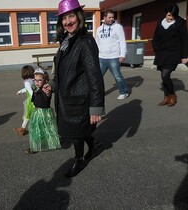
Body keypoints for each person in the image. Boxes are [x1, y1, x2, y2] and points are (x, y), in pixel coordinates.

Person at [43, 0, 105, 177]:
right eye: (64, 18)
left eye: (71, 16)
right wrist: (52, 85)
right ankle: (94, 145)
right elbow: (62, 72)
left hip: (79, 99)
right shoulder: (66, 40)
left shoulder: (85, 41)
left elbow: (95, 76)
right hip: (66, 99)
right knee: (77, 131)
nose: (67, 21)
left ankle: (79, 160)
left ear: (78, 17)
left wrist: (96, 107)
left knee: (76, 132)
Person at [153, 3, 188, 107]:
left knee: (165, 74)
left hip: (174, 53)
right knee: (163, 77)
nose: (170, 17)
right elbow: (155, 38)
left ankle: (172, 95)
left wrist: (185, 55)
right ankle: (166, 97)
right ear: (165, 14)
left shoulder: (180, 23)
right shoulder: (160, 22)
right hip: (161, 53)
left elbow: (185, 40)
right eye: (169, 15)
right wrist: (156, 49)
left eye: (173, 15)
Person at [95, 9, 129, 100]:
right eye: (109, 17)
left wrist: (122, 54)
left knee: (117, 76)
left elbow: (122, 41)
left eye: (113, 17)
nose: (111, 19)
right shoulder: (99, 29)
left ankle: (123, 92)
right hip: (101, 57)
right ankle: (98, 94)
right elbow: (97, 42)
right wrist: (95, 55)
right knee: (97, 77)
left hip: (113, 57)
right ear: (104, 18)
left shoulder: (118, 27)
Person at [27, 67, 61, 154]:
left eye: (39, 80)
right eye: (35, 80)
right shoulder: (36, 89)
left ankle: (52, 143)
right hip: (36, 112)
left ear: (45, 81)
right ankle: (35, 146)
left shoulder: (46, 89)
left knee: (48, 129)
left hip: (44, 113)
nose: (37, 82)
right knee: (35, 130)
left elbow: (46, 96)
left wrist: (46, 91)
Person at [13, 65, 35, 136]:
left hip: (31, 101)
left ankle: (22, 129)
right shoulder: (32, 80)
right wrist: (20, 91)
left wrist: (34, 100)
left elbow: (30, 92)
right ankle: (22, 129)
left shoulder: (27, 82)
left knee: (27, 116)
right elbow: (28, 90)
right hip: (35, 99)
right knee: (31, 116)